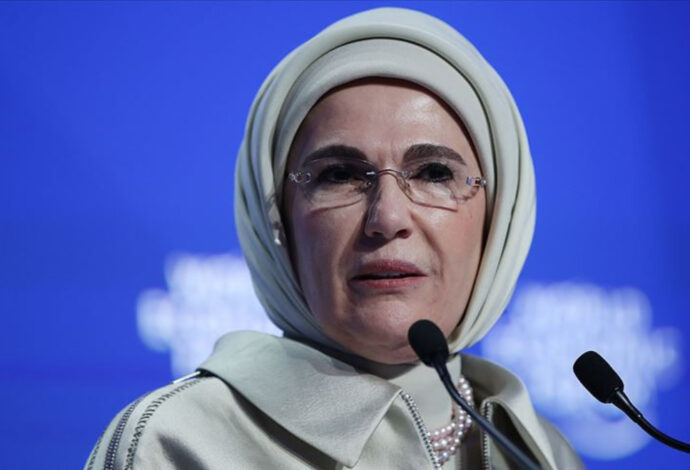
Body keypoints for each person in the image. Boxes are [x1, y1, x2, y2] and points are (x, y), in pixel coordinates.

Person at [86, 8, 582, 470]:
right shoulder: (178, 444)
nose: (387, 217)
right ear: (277, 219)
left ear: (499, 215)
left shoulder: (543, 454)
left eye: (434, 173)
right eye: (340, 175)